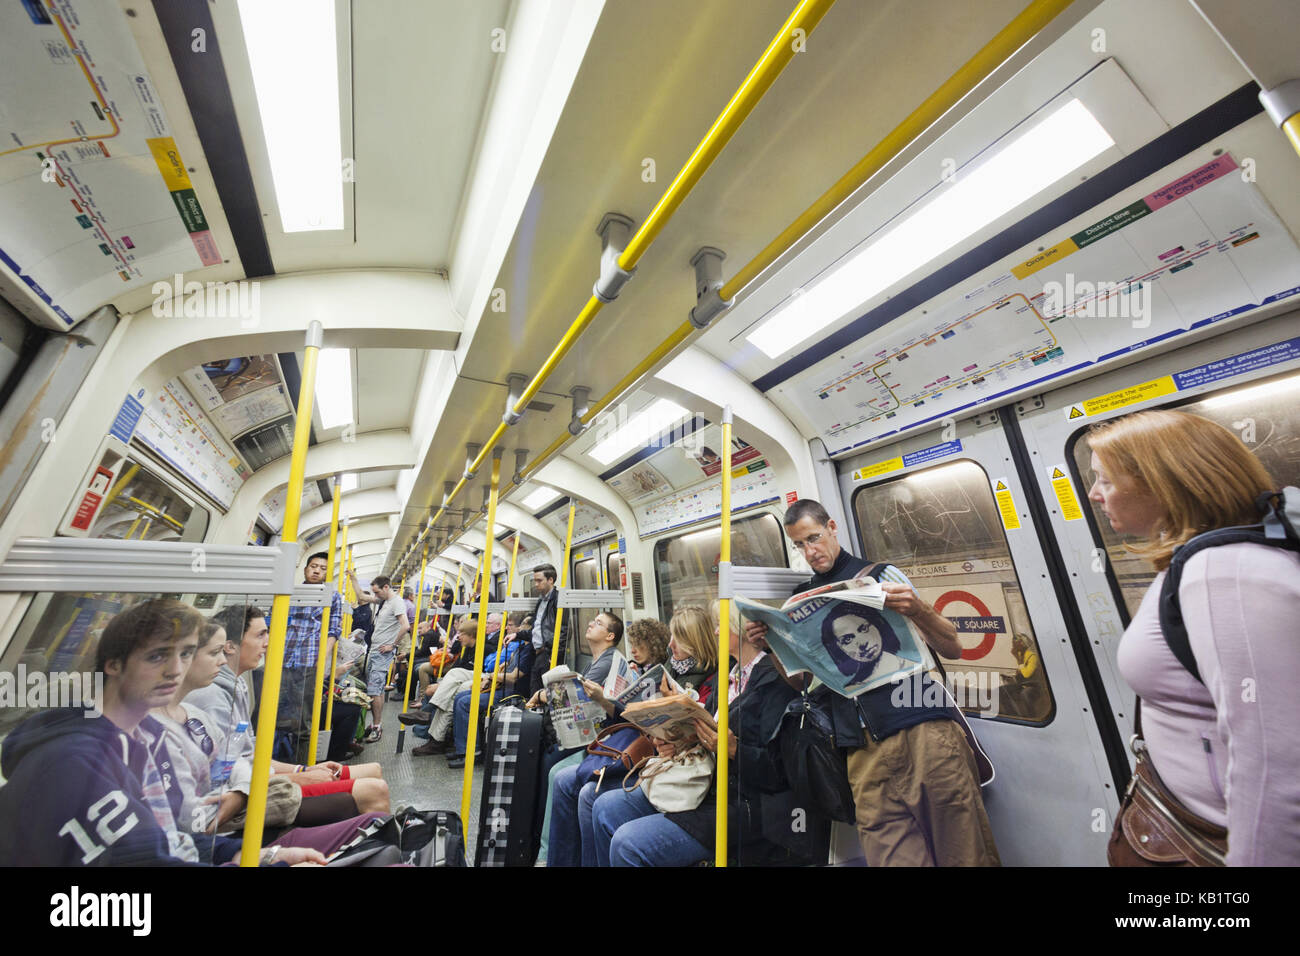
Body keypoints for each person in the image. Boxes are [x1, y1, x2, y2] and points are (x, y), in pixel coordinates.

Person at [1086, 409, 1300, 865]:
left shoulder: (1224, 572)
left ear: (1162, 482)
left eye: (1105, 480)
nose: (1094, 494)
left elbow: (1276, 767)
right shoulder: (1196, 561)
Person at [0, 599, 364, 866]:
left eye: (187, 654)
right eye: (157, 656)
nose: (175, 670)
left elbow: (176, 839)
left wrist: (266, 855)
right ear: (113, 664)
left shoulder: (143, 740)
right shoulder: (75, 761)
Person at [744, 499, 999, 866]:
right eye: (799, 545)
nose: (810, 552)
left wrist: (919, 609)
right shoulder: (800, 600)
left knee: (963, 852)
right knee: (891, 856)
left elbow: (953, 646)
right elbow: (802, 683)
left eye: (814, 538)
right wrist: (770, 648)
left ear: (833, 527)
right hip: (860, 748)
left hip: (922, 727)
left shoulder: (881, 575)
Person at [186, 604, 390, 821]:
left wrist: (303, 769)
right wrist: (297, 777)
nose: (268, 642)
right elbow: (228, 774)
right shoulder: (212, 698)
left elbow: (248, 756)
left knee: (374, 770)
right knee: (375, 790)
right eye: (260, 635)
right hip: (239, 798)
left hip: (255, 780)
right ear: (230, 646)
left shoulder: (238, 687)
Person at [276, 550, 343, 763]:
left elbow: (333, 630)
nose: (317, 571)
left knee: (303, 721)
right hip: (283, 659)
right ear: (305, 569)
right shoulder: (290, 591)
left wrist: (321, 660)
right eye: (314, 566)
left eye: (323, 568)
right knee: (274, 714)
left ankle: (301, 767)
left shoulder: (332, 596)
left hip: (309, 661)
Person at [348, 573, 410, 741]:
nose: (375, 596)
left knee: (374, 691)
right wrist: (353, 579)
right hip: (374, 650)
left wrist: (393, 645)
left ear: (386, 587)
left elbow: (405, 625)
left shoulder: (396, 602)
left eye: (377, 592)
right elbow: (361, 596)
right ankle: (377, 723)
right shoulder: (384, 601)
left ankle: (377, 726)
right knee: (377, 689)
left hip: (383, 653)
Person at [819, 604, 908, 690]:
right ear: (838, 648)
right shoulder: (850, 689)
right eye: (848, 639)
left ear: (876, 623)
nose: (862, 644)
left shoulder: (915, 663)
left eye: (864, 628)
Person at [526, 564, 564, 693]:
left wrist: (555, 654)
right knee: (535, 691)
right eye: (534, 581)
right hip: (537, 653)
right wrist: (517, 634)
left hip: (548, 653)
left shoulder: (558, 600)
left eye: (539, 580)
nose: (536, 584)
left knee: (546, 693)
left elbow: (563, 630)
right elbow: (537, 627)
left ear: (551, 580)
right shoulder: (541, 600)